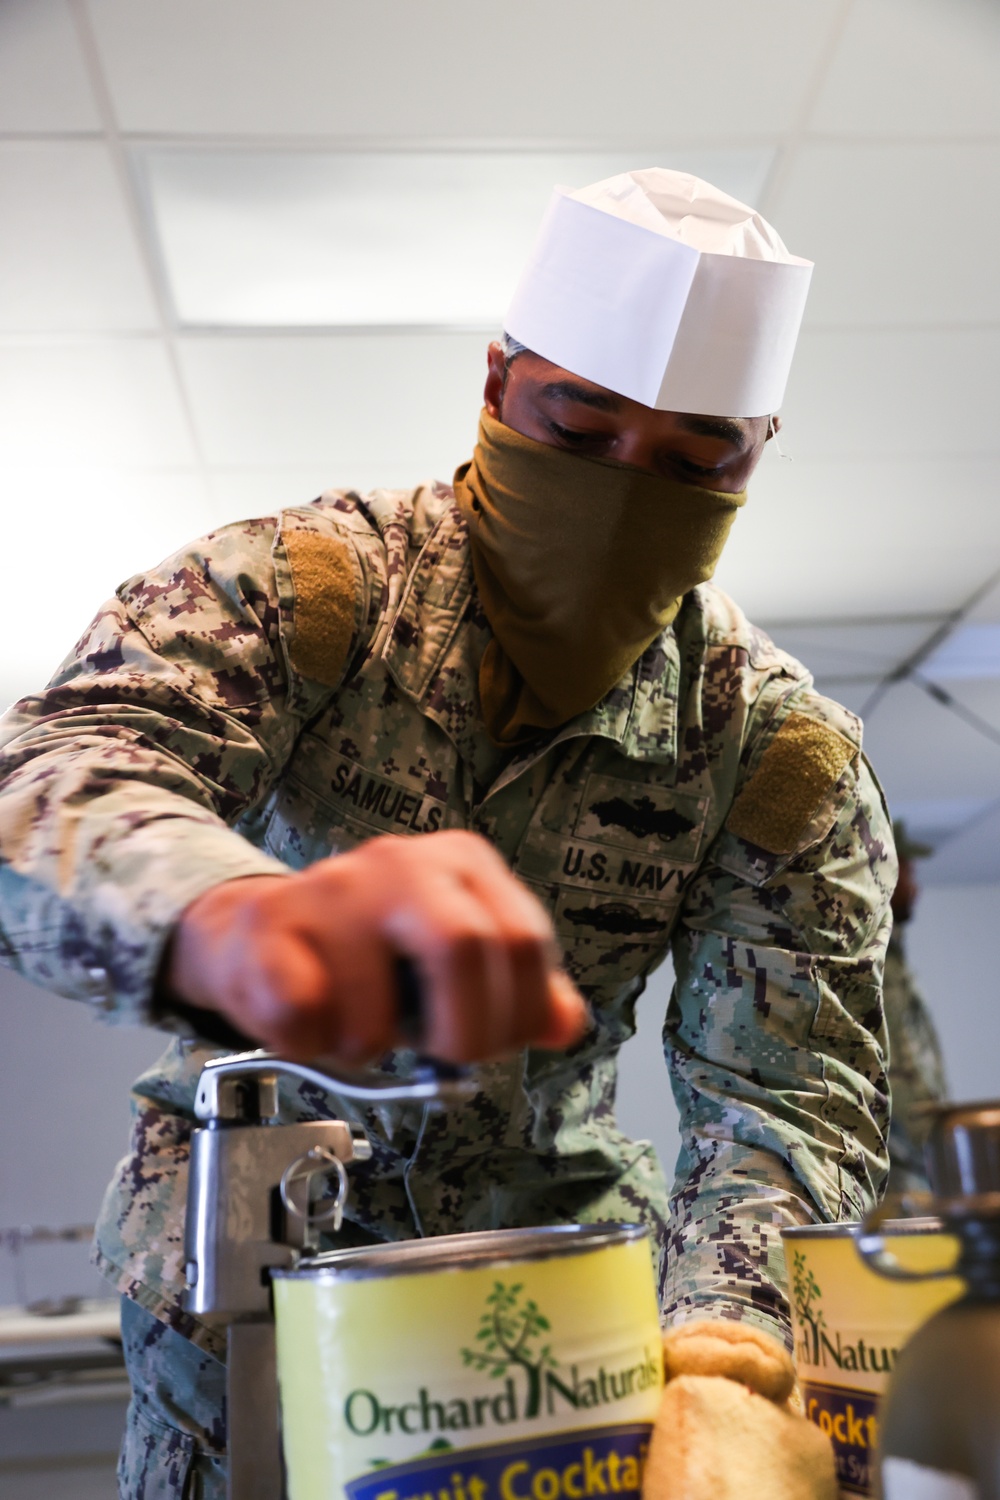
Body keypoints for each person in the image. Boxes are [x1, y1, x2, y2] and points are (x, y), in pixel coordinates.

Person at [0, 169, 894, 1498]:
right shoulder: (308, 595)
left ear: (755, 457)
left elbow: (788, 1095)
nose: (623, 488)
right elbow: (54, 778)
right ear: (497, 385)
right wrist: (234, 917)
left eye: (694, 462)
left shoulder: (768, 749)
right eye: (578, 429)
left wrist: (730, 1348)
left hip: (549, 1337)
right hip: (246, 1307)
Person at [884, 821, 948, 1196]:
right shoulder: (879, 965)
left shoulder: (893, 958)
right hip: (904, 1168)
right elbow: (901, 1069)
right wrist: (943, 1148)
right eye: (907, 871)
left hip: (913, 1162)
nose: (915, 886)